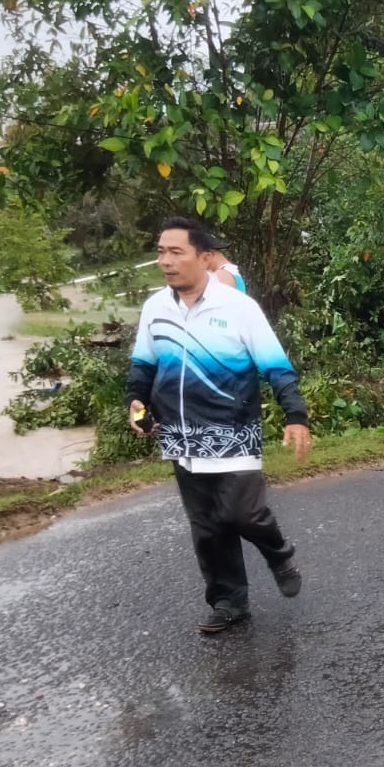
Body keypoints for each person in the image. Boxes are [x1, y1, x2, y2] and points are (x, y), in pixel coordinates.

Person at [127, 216, 312, 634]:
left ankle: (278, 552)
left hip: (233, 430)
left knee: (244, 513)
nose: (166, 261)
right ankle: (229, 602)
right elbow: (143, 364)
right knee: (208, 525)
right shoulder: (155, 308)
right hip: (179, 435)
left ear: (205, 258)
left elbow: (276, 367)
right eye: (161, 252)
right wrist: (136, 402)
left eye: (177, 252)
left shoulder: (239, 308)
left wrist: (295, 416)